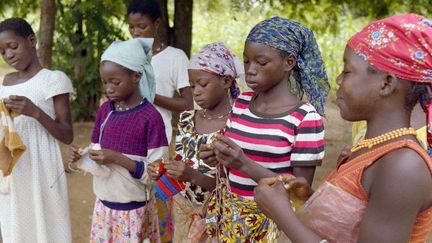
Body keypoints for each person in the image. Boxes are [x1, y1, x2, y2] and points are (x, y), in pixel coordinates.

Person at [254, 13, 432, 243]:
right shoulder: (374, 150)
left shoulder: (402, 166)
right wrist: (307, 200)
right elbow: (350, 225)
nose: (338, 80)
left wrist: (282, 214)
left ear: (386, 83)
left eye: (347, 71)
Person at [200, 17, 330, 241]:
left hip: (274, 226)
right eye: (246, 61)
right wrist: (218, 157)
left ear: (289, 62)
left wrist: (243, 163)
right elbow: (232, 169)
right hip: (232, 220)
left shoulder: (305, 118)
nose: (250, 70)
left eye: (261, 62)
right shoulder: (241, 103)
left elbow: (299, 193)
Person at [66, 38, 168, 243]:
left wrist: (117, 158)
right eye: (105, 82)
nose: (109, 88)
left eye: (115, 81)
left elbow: (157, 173)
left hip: (133, 212)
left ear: (136, 76)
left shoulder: (150, 117)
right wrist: (80, 157)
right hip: (103, 207)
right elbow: (97, 155)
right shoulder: (106, 110)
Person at [149, 42, 243, 242]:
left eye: (203, 84)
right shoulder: (186, 119)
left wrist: (192, 176)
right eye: (192, 86)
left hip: (220, 222)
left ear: (226, 81)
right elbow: (180, 163)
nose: (196, 92)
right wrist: (163, 170)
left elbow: (238, 187)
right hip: (183, 217)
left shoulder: (238, 125)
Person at [0, 18, 73, 243]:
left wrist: (35, 112)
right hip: (14, 167)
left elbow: (67, 134)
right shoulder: (5, 82)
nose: (9, 55)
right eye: (2, 51)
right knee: (17, 225)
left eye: (13, 46)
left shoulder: (53, 80)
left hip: (42, 168)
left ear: (31, 40)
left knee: (48, 227)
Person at [127, 0, 193, 143]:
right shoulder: (124, 58)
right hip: (125, 137)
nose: (135, 32)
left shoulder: (175, 57)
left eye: (142, 26)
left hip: (156, 141)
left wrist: (150, 95)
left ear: (156, 23)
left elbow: (188, 104)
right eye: (131, 27)